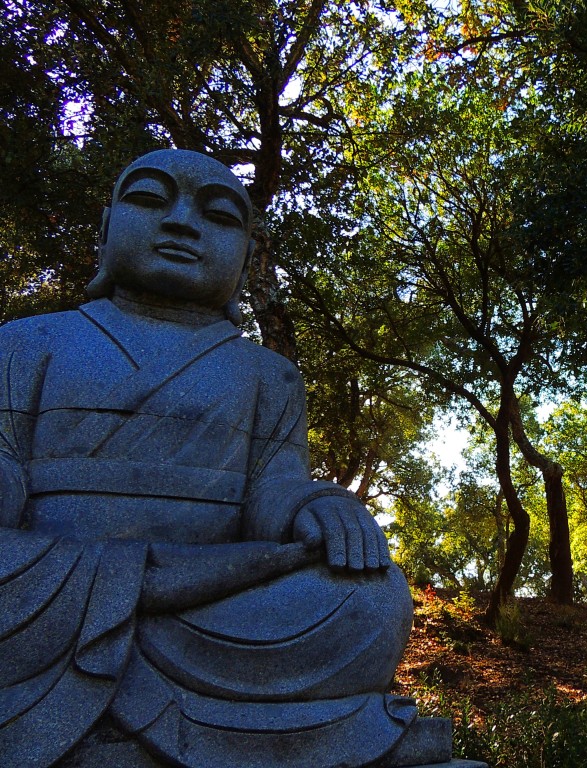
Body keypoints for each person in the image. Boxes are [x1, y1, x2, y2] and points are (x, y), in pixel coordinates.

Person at [0, 150, 443, 767]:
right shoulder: (24, 344)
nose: (182, 223)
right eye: (150, 201)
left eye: (219, 215)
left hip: (203, 609)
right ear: (104, 232)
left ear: (248, 257)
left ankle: (116, 689)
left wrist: (319, 505)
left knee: (373, 599)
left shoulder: (268, 375)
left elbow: (274, 489)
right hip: (52, 586)